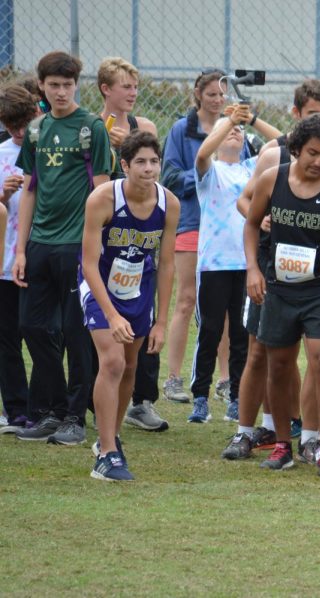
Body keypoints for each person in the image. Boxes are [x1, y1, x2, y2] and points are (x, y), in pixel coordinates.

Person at [246, 114, 320, 476]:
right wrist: (253, 269)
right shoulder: (272, 179)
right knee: (278, 364)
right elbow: (251, 225)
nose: (319, 162)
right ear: (296, 149)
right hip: (279, 287)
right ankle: (282, 445)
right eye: (312, 153)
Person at [13, 51, 112, 445]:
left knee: (75, 331)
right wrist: (21, 250)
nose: (60, 91)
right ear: (41, 85)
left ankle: (75, 416)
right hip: (40, 243)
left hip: (77, 245)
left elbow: (103, 188)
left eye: (67, 85)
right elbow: (30, 191)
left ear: (76, 86)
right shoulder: (36, 131)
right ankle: (54, 409)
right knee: (32, 326)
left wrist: (98, 248)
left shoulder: (90, 129)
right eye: (53, 84)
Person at [79, 131, 178, 480]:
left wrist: (162, 321)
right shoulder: (103, 199)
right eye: (140, 162)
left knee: (131, 367)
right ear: (125, 165)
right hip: (99, 287)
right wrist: (110, 314)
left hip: (138, 290)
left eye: (154, 161)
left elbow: (166, 264)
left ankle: (112, 436)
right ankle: (105, 455)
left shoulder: (168, 204)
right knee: (113, 361)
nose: (149, 169)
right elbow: (89, 263)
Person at [95, 56, 169, 432]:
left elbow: (157, 179)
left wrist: (132, 147)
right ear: (106, 89)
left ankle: (140, 403)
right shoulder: (94, 127)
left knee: (135, 353)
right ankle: (95, 419)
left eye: (136, 86)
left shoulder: (145, 127)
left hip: (139, 256)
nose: (133, 93)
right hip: (105, 235)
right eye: (126, 85)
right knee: (108, 354)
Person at [161, 69, 229, 404]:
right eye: (212, 94)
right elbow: (169, 176)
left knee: (225, 305)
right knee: (187, 300)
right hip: (190, 222)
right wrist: (203, 174)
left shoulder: (232, 128)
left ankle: (226, 380)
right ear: (198, 94)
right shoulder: (180, 130)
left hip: (223, 229)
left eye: (222, 95)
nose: (218, 100)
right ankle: (173, 379)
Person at [187, 109, 258, 425]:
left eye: (239, 130)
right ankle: (200, 397)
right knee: (211, 331)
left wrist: (251, 119)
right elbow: (202, 152)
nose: (235, 131)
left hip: (245, 264)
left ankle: (236, 397)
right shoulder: (211, 170)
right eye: (228, 129)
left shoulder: (251, 170)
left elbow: (284, 143)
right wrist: (229, 120)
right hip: (214, 264)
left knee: (243, 333)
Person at [0, 83, 36, 434]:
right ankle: (16, 410)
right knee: (8, 339)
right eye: (13, 127)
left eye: (24, 123)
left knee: (42, 334)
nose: (20, 132)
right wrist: (3, 193)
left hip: (40, 257)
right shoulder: (2, 153)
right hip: (5, 262)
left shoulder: (46, 147)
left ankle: (45, 405)